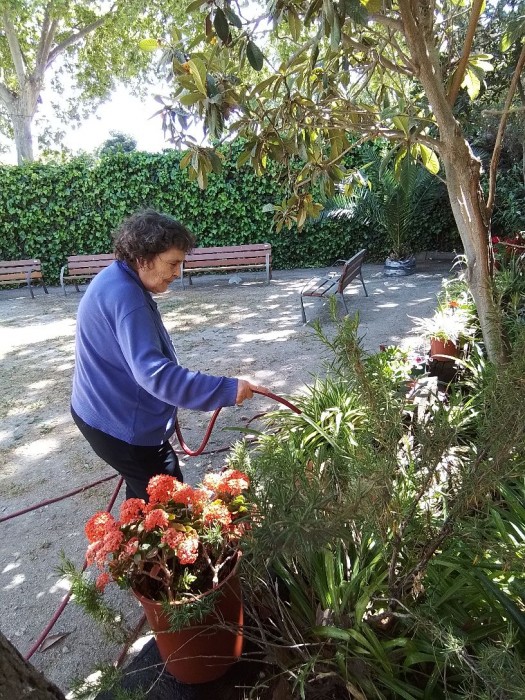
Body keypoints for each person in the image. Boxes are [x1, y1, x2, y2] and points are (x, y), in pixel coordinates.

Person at [71, 209, 265, 501]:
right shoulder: (127, 297)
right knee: (169, 496)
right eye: (173, 263)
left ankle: (134, 527)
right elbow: (155, 375)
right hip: (117, 424)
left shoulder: (117, 279)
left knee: (145, 494)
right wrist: (226, 389)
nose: (177, 273)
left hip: (100, 411)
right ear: (143, 258)